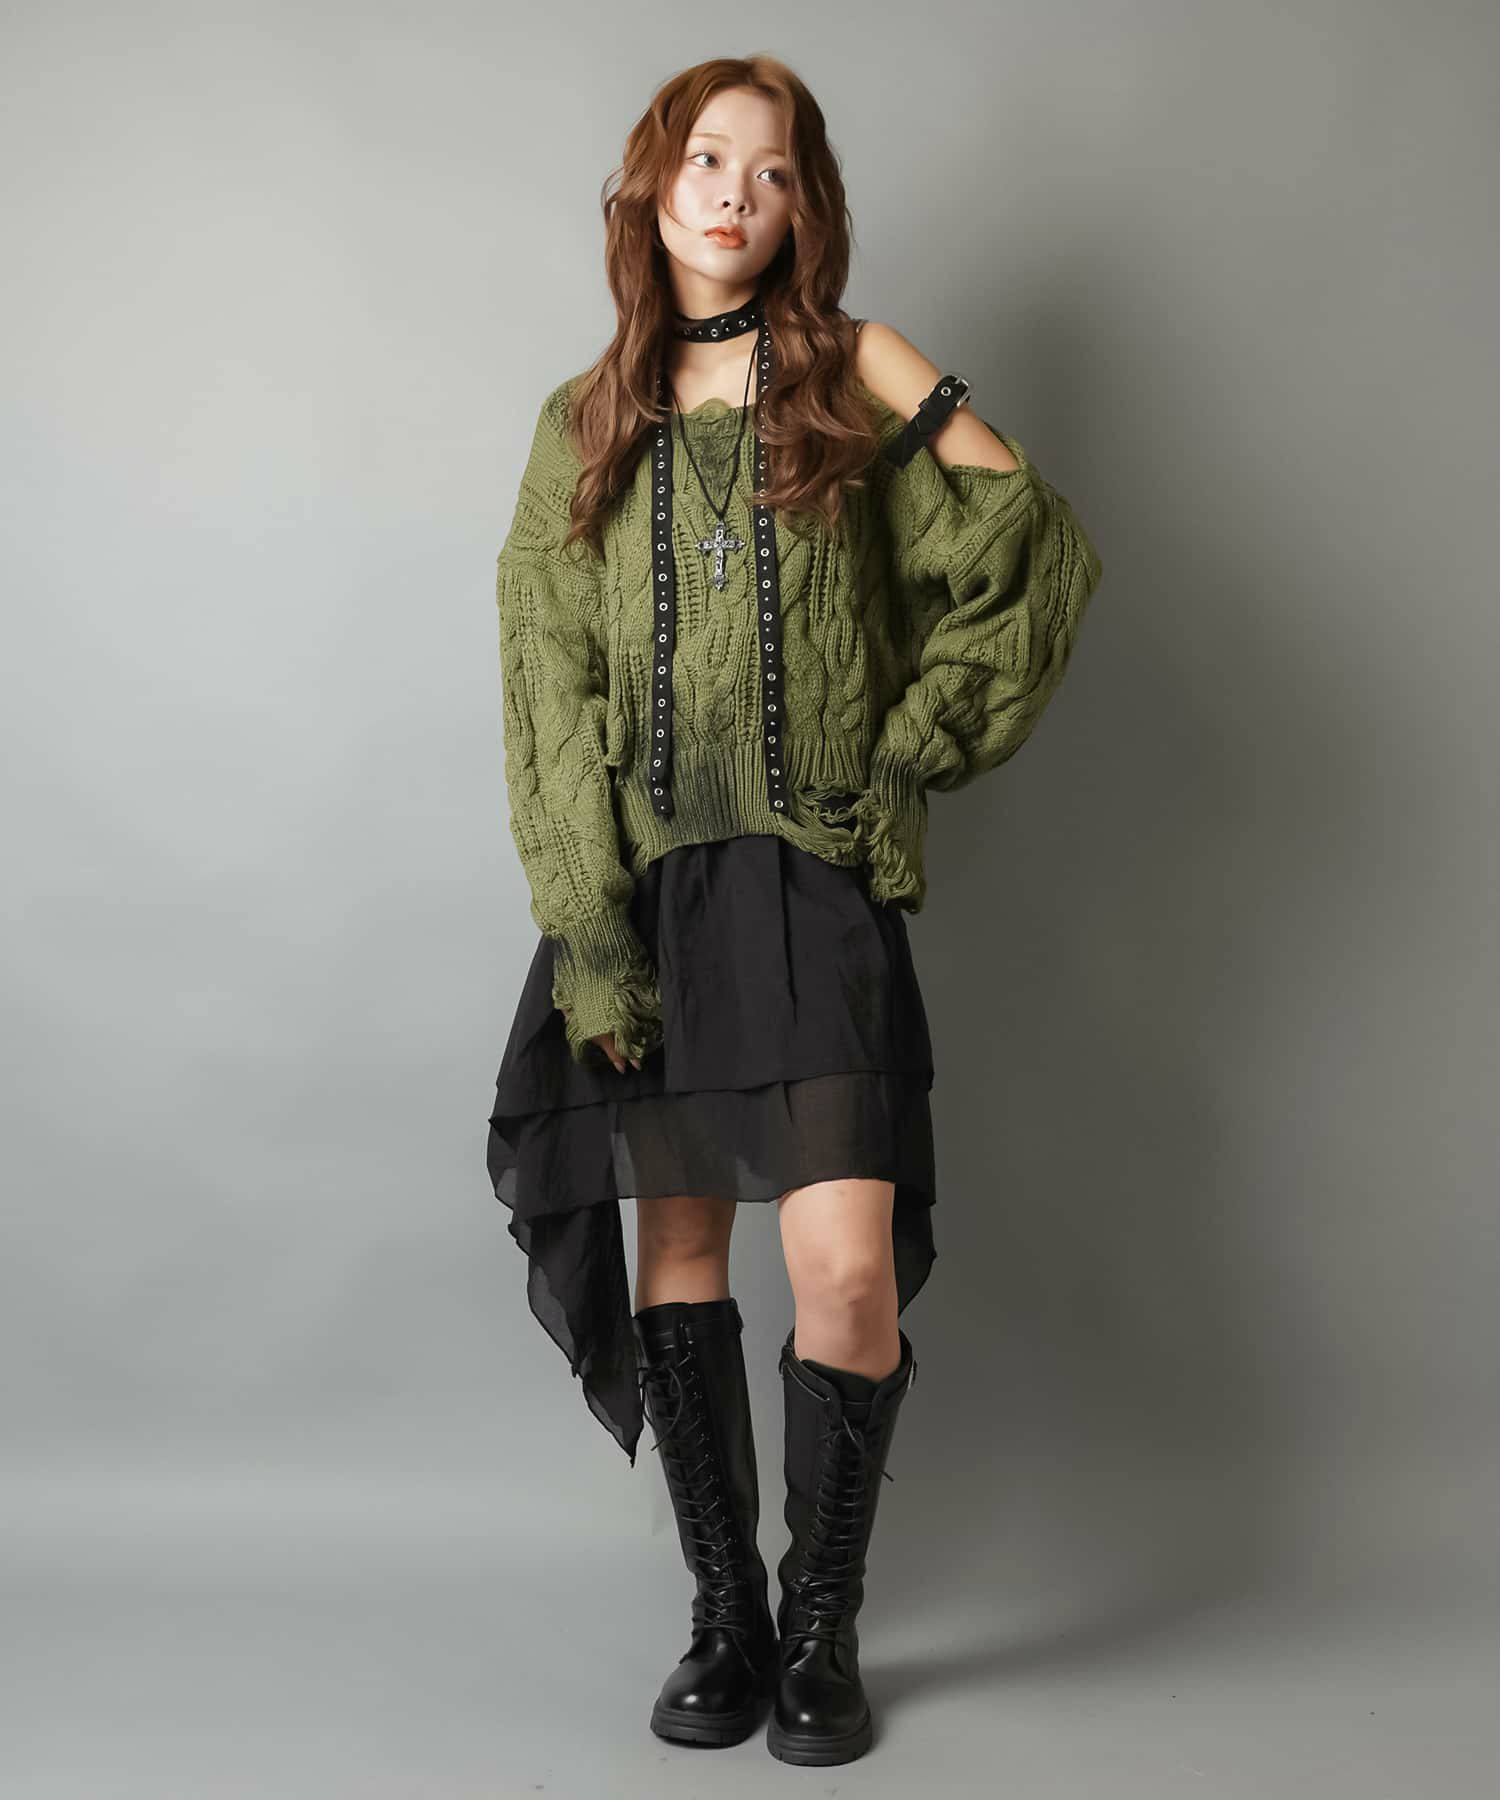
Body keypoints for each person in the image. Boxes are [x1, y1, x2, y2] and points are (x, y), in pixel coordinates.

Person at [485, 55, 1104, 1767]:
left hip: (815, 892)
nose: (731, 192)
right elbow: (545, 696)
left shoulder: (849, 384)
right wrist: (589, 930)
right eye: (705, 157)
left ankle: (822, 1618)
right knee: (679, 1253)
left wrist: (903, 751)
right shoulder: (579, 423)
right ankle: (726, 1619)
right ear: (653, 183)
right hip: (644, 900)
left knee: (844, 1266)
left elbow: (1032, 554)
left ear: (802, 208)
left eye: (770, 170)